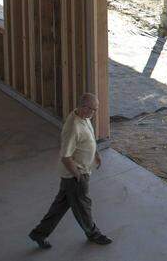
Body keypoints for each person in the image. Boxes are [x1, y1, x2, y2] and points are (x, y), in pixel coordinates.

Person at [28, 93, 112, 249]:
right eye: (92, 109)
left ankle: (39, 233)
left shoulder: (83, 116)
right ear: (84, 107)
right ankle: (93, 233)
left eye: (96, 109)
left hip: (78, 173)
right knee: (83, 206)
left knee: (59, 206)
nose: (94, 113)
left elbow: (89, 139)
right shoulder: (73, 127)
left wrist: (96, 153)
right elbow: (65, 157)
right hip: (75, 175)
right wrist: (78, 176)